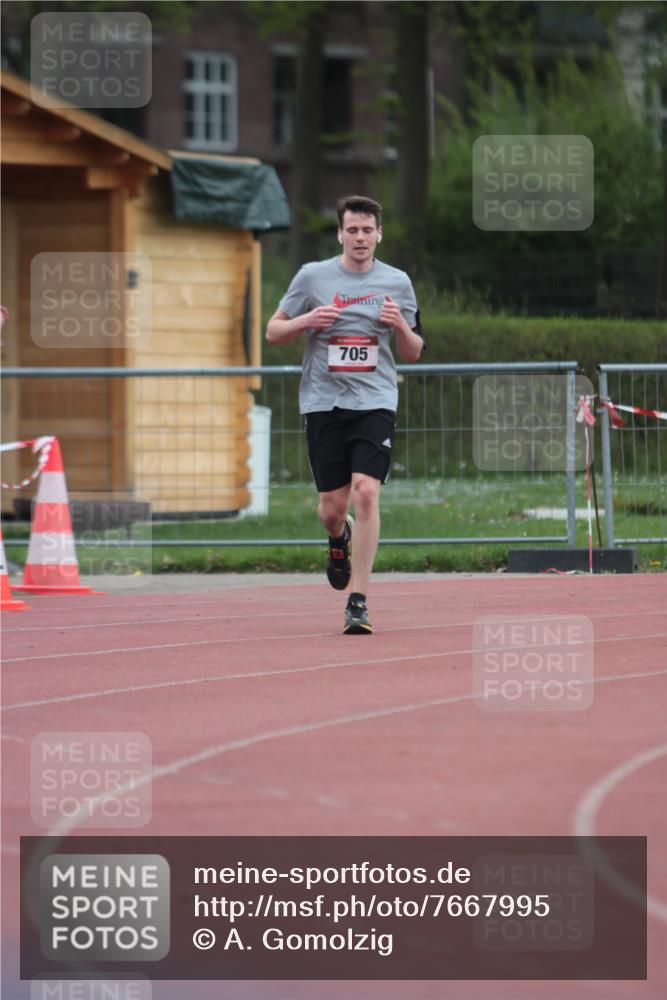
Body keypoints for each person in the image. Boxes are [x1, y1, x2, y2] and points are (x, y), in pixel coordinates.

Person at [266, 194, 424, 634]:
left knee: (367, 492)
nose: (360, 237)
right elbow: (272, 330)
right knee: (331, 509)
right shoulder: (312, 277)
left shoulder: (397, 282)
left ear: (379, 234)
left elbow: (413, 352)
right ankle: (339, 537)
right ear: (340, 234)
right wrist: (308, 320)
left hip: (375, 401)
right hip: (323, 403)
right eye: (351, 229)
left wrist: (400, 327)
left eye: (367, 229)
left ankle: (358, 600)